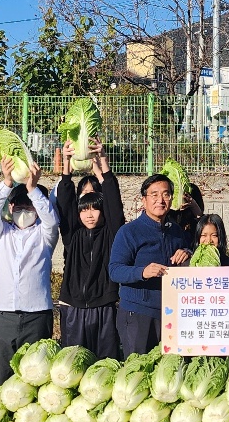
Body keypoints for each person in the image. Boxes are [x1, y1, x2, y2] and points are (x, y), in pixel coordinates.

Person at [0, 155, 59, 385]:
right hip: (1, 314)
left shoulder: (45, 236)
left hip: (36, 314)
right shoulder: (1, 234)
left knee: (35, 379)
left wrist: (34, 190)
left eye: (31, 207)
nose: (25, 211)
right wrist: (7, 182)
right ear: (11, 207)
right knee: (1, 376)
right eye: (20, 206)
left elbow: (51, 221)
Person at [108, 173, 192, 355]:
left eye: (166, 194)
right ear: (143, 200)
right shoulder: (129, 232)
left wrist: (187, 252)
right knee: (139, 369)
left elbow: (186, 259)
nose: (160, 200)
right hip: (138, 313)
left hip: (170, 313)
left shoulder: (175, 231)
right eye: (154, 195)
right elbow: (115, 270)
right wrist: (142, 272)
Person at [54, 142, 124, 359]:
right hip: (73, 307)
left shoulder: (112, 234)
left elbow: (115, 207)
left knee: (104, 364)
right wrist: (66, 166)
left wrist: (104, 166)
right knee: (74, 363)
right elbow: (64, 205)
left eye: (95, 209)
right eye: (85, 210)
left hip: (104, 307)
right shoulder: (72, 235)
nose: (90, 214)